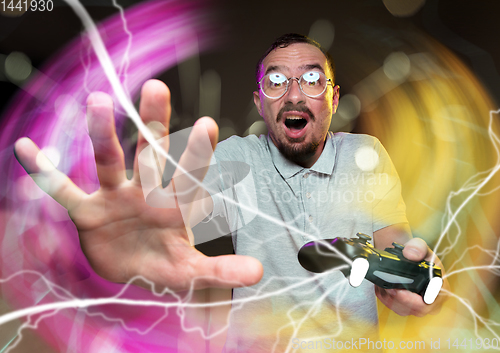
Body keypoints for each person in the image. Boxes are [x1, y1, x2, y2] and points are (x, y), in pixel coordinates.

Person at [14, 33, 446, 352]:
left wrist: (411, 277)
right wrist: (125, 236)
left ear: (333, 98)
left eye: (312, 80)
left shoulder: (364, 154)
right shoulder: (234, 160)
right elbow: (160, 200)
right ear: (260, 103)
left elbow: (394, 252)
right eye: (276, 82)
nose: (294, 94)